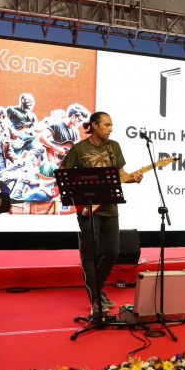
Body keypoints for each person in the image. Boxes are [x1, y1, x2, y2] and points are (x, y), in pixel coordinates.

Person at [60, 112, 142, 314]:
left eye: (111, 125)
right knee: (90, 254)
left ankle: (98, 289)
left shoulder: (114, 147)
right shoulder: (79, 149)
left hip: (110, 208)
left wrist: (133, 178)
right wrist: (78, 193)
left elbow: (121, 175)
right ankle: (96, 299)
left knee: (112, 251)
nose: (111, 128)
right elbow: (63, 173)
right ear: (94, 126)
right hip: (88, 209)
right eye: (107, 125)